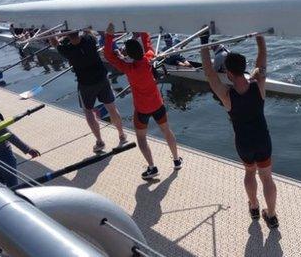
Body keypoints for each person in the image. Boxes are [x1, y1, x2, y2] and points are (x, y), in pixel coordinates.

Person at [200, 31, 279, 228]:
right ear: (244, 69)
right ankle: (271, 215)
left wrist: (203, 42)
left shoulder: (226, 95)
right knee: (267, 177)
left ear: (228, 73)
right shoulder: (258, 84)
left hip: (244, 143)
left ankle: (253, 207)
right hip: (263, 140)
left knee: (250, 173)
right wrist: (259, 36)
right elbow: (261, 59)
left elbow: (209, 72)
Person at [103, 23, 182, 180]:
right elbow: (148, 45)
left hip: (142, 110)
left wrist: (109, 36)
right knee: (167, 131)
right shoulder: (149, 58)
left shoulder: (128, 67)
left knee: (141, 138)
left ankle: (152, 168)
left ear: (129, 55)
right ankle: (176, 160)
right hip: (158, 105)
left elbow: (109, 55)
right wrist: (143, 29)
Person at [49, 30, 127, 153]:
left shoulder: (67, 50)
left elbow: (54, 43)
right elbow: (89, 30)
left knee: (88, 111)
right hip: (102, 78)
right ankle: (122, 135)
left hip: (86, 84)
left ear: (67, 36)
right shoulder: (90, 40)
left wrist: (50, 32)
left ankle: (100, 142)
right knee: (111, 107)